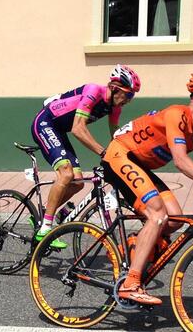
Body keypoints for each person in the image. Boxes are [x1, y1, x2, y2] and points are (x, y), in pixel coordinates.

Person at [104, 74, 193, 305]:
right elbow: (180, 161)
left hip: (139, 165)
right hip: (120, 154)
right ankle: (130, 283)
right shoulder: (176, 115)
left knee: (174, 221)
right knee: (158, 215)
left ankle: (135, 245)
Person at [29, 65, 140, 247]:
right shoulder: (93, 91)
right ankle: (45, 229)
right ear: (114, 88)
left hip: (59, 130)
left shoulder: (115, 108)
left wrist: (125, 155)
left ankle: (43, 214)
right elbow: (78, 129)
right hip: (45, 123)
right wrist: (103, 153)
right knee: (66, 174)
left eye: (132, 96)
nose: (129, 100)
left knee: (78, 182)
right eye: (128, 95)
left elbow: (115, 136)